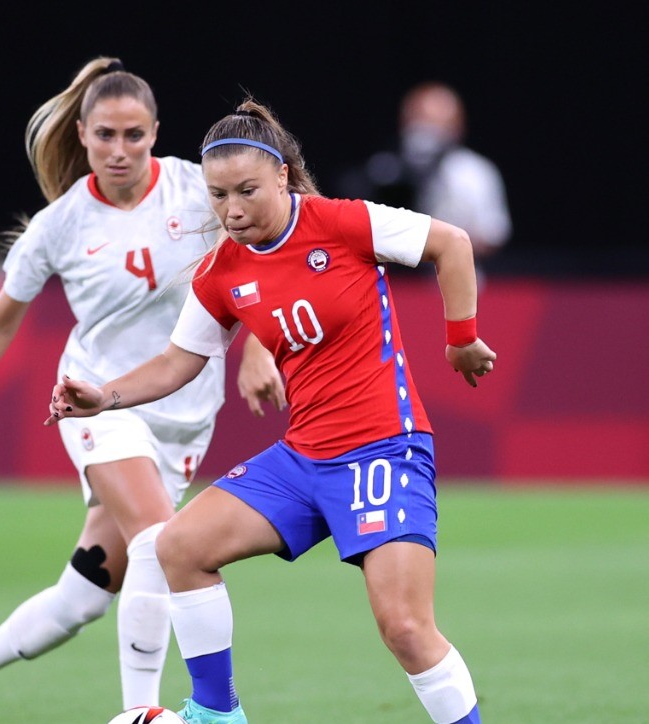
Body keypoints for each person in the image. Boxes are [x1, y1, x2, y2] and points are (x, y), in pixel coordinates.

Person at [47, 98, 496, 724]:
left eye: (247, 191)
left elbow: (452, 243)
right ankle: (216, 714)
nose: (232, 211)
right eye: (218, 195)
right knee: (180, 546)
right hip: (304, 458)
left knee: (405, 627)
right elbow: (179, 362)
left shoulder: (341, 224)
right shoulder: (222, 272)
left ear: (283, 175)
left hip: (383, 450)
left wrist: (461, 337)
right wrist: (106, 395)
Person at [0, 59, 285, 723]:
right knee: (163, 544)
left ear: (156, 132)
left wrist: (259, 348)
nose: (120, 150)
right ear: (82, 133)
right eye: (105, 135)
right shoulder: (61, 225)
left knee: (83, 598)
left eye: (134, 134)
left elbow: (269, 255)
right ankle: (141, 714)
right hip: (95, 401)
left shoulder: (199, 192)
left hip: (184, 414)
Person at [341, 82, 510, 281]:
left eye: (435, 121)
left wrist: (437, 242)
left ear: (457, 125)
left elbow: (493, 234)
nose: (424, 130)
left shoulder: (474, 172)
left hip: (453, 280)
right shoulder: (383, 169)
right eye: (418, 119)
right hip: (392, 281)